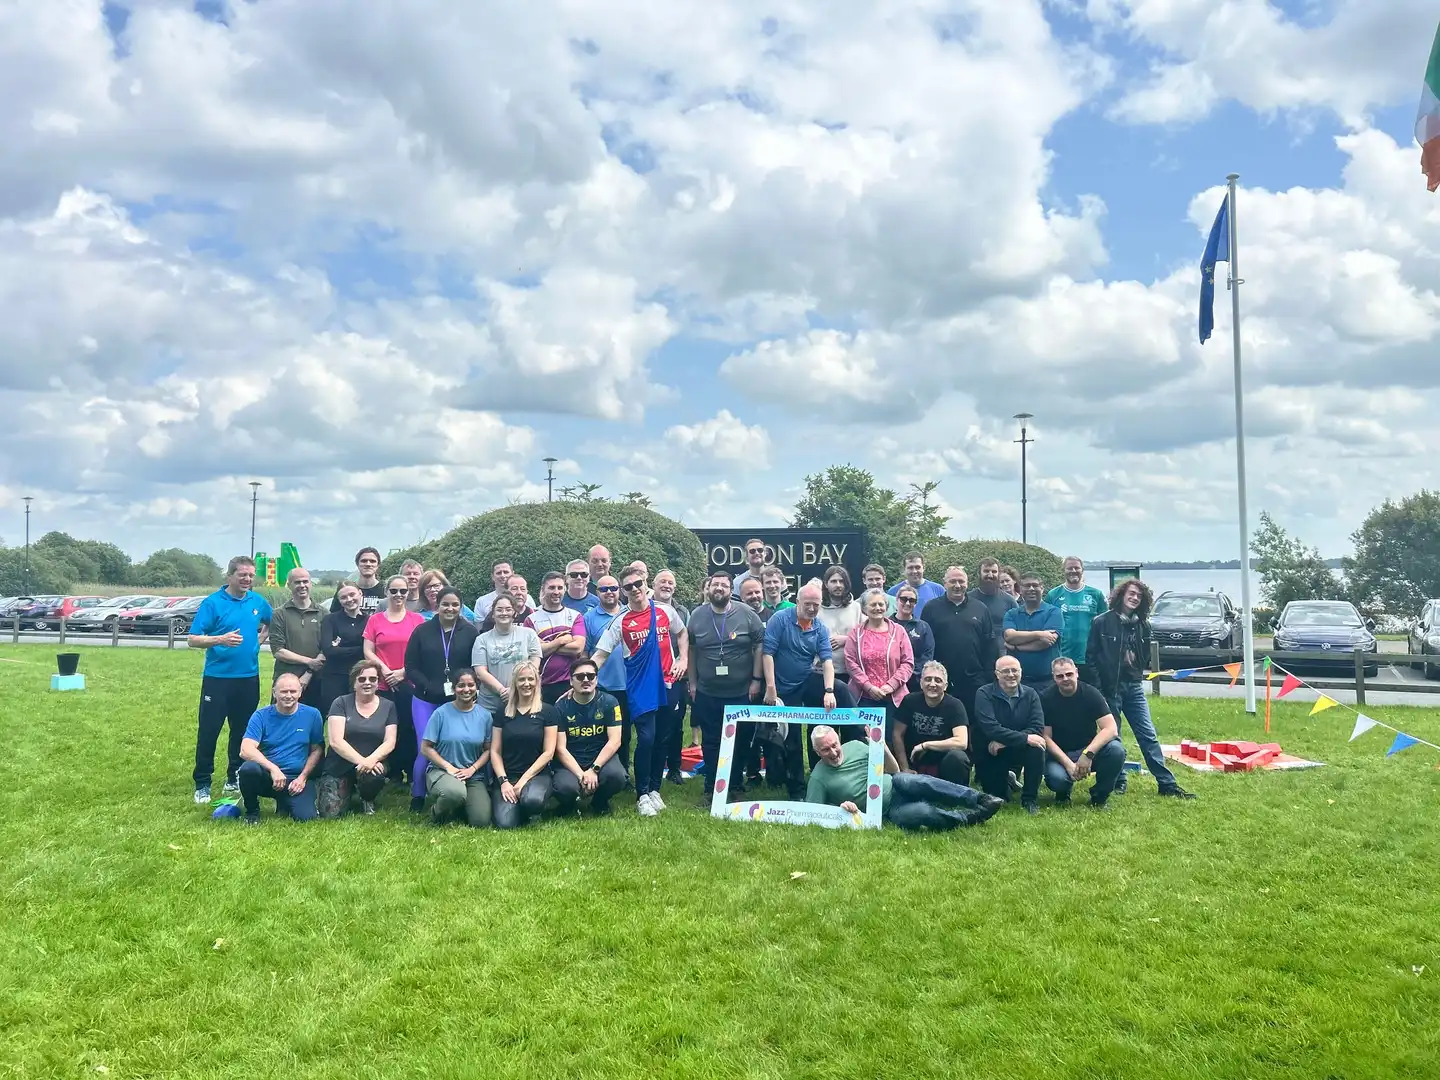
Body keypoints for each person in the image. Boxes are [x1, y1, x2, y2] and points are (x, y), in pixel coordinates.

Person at [1087, 579, 1195, 799]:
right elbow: (1090, 658)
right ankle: (1118, 780)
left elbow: (1144, 655)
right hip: (1109, 689)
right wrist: (1100, 690)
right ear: (1121, 595)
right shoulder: (1101, 622)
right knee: (1112, 737)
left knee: (1148, 735)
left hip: (1133, 687)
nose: (1135, 598)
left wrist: (1135, 665)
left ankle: (1167, 784)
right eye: (1131, 593)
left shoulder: (1143, 625)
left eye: (1139, 596)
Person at [188, 555, 274, 804]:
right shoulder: (213, 603)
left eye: (250, 575)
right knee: (209, 731)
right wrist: (220, 639)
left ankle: (233, 776)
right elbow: (193, 639)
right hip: (217, 678)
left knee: (242, 731)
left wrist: (258, 642)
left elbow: (271, 623)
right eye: (242, 575)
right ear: (230, 576)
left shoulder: (257, 602)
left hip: (248, 677)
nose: (247, 579)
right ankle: (202, 782)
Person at [592, 565, 674, 816]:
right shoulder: (621, 621)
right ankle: (642, 794)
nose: (635, 589)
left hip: (669, 683)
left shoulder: (665, 610)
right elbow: (601, 654)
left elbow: (682, 634)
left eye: (638, 583)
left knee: (663, 737)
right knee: (646, 738)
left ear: (645, 582)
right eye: (628, 586)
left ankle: (655, 790)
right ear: (623, 591)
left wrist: (682, 661)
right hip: (639, 686)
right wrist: (584, 675)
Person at [806, 725, 1003, 830]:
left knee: (915, 780)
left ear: (839, 740)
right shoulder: (819, 777)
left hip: (896, 783)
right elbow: (814, 814)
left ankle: (980, 798)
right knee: (923, 812)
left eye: (835, 745)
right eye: (825, 749)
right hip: (887, 810)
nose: (833, 752)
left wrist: (882, 748)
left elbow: (893, 769)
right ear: (816, 752)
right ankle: (968, 818)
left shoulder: (855, 747)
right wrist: (843, 810)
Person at [762, 582, 858, 797]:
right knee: (792, 739)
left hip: (806, 679)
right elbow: (767, 654)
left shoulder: (820, 627)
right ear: (798, 602)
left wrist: (829, 690)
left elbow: (826, 662)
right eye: (808, 604)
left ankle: (859, 738)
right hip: (783, 687)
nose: (812, 609)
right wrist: (771, 688)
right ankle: (797, 788)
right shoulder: (780, 620)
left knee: (842, 690)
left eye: (816, 605)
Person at [688, 571, 765, 798]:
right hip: (708, 692)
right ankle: (712, 785)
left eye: (723, 585)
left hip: (741, 692)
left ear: (731, 590)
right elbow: (691, 650)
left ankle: (734, 784)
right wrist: (692, 682)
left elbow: (760, 645)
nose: (718, 588)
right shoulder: (696, 616)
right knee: (711, 741)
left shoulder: (747, 614)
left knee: (740, 739)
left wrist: (756, 680)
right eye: (714, 585)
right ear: (708, 589)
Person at [404, 586, 480, 811]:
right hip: (425, 698)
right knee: (425, 746)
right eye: (445, 604)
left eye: (455, 604)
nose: (450, 608)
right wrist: (427, 685)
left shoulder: (470, 632)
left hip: (458, 700)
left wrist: (463, 688)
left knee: (456, 745)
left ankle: (458, 788)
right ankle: (418, 795)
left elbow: (473, 666)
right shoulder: (422, 630)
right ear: (437, 604)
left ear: (461, 606)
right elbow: (410, 666)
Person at [237, 673, 324, 825]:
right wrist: (273, 769)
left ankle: (285, 802)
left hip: (296, 779)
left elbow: (317, 749)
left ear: (300, 692)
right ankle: (252, 812)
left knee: (306, 817)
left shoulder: (313, 715)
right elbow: (245, 749)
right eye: (283, 691)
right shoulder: (261, 716)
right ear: (274, 693)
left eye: (293, 691)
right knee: (248, 769)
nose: (288, 696)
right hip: (269, 777)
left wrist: (303, 778)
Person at [363, 576, 425, 788]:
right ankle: (391, 772)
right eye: (394, 591)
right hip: (382, 684)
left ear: (408, 593)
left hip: (409, 683)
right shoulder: (375, 620)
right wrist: (385, 670)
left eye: (403, 591)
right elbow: (368, 650)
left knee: (409, 727)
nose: (398, 595)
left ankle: (409, 770)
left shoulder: (417, 620)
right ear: (387, 593)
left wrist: (403, 672)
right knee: (387, 728)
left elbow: (422, 652)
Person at [316, 660, 398, 818]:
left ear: (378, 682)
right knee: (330, 814)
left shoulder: (389, 706)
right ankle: (341, 788)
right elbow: (335, 741)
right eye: (362, 679)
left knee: (374, 775)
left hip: (373, 764)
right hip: (339, 764)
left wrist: (371, 760)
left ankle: (367, 798)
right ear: (354, 682)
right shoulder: (340, 703)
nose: (367, 683)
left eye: (372, 679)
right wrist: (362, 761)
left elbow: (390, 741)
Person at [1040, 657, 1126, 808]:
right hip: (1061, 754)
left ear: (1076, 673)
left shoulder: (1091, 694)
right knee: (1057, 780)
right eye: (1060, 676)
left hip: (1087, 750)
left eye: (1069, 674)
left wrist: (1088, 754)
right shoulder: (1045, 698)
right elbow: (1045, 737)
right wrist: (1067, 764)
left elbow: (1111, 728)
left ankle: (1099, 796)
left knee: (1116, 750)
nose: (1065, 679)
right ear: (1053, 677)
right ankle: (1063, 792)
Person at [972, 656, 1046, 813]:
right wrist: (1024, 737)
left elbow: (1037, 727)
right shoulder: (983, 693)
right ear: (997, 674)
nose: (1011, 674)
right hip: (991, 752)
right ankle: (1008, 780)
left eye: (1015, 670)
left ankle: (1029, 799)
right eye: (1006, 671)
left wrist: (1006, 741)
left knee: (1037, 747)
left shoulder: (1031, 694)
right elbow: (991, 728)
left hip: (1009, 746)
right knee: (999, 797)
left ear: (1021, 672)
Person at [553, 659, 627, 814]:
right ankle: (569, 804)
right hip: (572, 759)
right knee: (565, 788)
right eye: (580, 677)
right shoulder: (560, 707)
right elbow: (560, 748)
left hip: (599, 758)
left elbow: (615, 741)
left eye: (590, 676)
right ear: (571, 681)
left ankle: (599, 802)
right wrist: (581, 775)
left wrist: (594, 769)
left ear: (596, 679)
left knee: (618, 776)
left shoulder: (610, 702)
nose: (586, 680)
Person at [421, 668, 493, 826]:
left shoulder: (485, 716)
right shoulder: (441, 713)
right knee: (454, 793)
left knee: (481, 821)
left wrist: (473, 769)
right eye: (461, 685)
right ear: (453, 688)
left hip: (472, 775)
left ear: (477, 687)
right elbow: (426, 748)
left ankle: (458, 807)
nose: (466, 689)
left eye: (471, 685)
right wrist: (448, 767)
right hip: (442, 771)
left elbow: (488, 750)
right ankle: (436, 814)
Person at [491, 660, 558, 829]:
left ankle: (531, 807)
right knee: (505, 824)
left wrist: (522, 782)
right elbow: (495, 751)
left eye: (530, 679)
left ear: (537, 682)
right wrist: (504, 781)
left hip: (537, 776)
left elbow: (548, 753)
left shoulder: (548, 711)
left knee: (532, 801)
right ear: (515, 683)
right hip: (508, 775)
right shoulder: (502, 711)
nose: (526, 684)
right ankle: (515, 807)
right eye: (521, 680)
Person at [920, 566, 996, 714]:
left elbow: (990, 645)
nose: (957, 585)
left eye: (961, 581)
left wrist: (987, 676)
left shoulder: (980, 608)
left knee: (973, 721)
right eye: (952, 581)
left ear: (967, 583)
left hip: (974, 679)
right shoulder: (931, 608)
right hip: (940, 679)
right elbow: (925, 644)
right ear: (944, 583)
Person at [844, 588, 914, 733]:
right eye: (873, 605)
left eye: (881, 604)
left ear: (887, 607)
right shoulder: (855, 634)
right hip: (863, 698)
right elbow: (851, 663)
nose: (878, 608)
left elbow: (908, 663)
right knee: (866, 740)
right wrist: (868, 686)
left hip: (893, 698)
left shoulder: (898, 631)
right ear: (864, 609)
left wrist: (891, 686)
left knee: (891, 741)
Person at [892, 661, 972, 786]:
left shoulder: (955, 705)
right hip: (914, 760)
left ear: (945, 686)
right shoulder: (909, 701)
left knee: (958, 757)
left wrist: (926, 745)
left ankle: (956, 796)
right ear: (921, 683)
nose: (932, 684)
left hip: (944, 763)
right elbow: (897, 734)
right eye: (928, 679)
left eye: (938, 680)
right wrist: (904, 768)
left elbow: (961, 742)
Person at [582, 576, 629, 767]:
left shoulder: (631, 613)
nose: (609, 592)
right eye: (604, 589)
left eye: (613, 587)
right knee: (603, 732)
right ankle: (601, 770)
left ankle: (624, 772)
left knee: (625, 732)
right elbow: (585, 654)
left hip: (630, 684)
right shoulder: (589, 618)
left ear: (620, 590)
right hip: (603, 686)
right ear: (596, 592)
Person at [267, 566, 326, 711]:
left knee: (313, 725)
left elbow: (327, 647)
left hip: (316, 680)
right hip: (286, 681)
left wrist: (309, 672)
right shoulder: (279, 614)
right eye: (297, 582)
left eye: (305, 581)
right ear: (289, 585)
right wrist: (309, 662)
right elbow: (278, 650)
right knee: (280, 723)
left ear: (311, 584)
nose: (302, 585)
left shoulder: (324, 613)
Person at [472, 595, 543, 715]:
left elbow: (534, 665)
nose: (504, 613)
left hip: (523, 702)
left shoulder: (529, 634)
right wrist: (503, 691)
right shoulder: (481, 640)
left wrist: (515, 690)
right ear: (493, 614)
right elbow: (481, 672)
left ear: (515, 613)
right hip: (490, 706)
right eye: (499, 610)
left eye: (508, 609)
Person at [654, 569, 692, 784]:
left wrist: (681, 661)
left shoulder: (682, 611)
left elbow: (684, 638)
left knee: (676, 724)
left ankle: (675, 768)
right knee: (654, 723)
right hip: (653, 676)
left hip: (676, 676)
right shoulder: (646, 607)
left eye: (671, 582)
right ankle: (654, 766)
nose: (667, 586)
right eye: (662, 582)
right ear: (654, 585)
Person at [526, 572, 587, 703]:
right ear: (543, 589)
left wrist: (546, 644)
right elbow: (534, 651)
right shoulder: (531, 619)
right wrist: (561, 640)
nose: (556, 592)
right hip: (542, 683)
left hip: (569, 683)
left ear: (565, 589)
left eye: (560, 588)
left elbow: (577, 648)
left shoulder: (575, 616)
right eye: (551, 587)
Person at [1046, 557, 1108, 685]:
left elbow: (1106, 626)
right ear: (1063, 570)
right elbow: (1045, 624)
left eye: (1077, 568)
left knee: (1091, 697)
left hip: (1089, 659)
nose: (1073, 571)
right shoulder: (1053, 595)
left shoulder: (1096, 594)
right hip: (1062, 658)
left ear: (1082, 570)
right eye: (1069, 568)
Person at [1003, 573, 1064, 690]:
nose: (1031, 589)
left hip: (1048, 680)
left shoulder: (1054, 612)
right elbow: (1009, 636)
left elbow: (1045, 643)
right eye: (1027, 586)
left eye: (1035, 585)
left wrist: (1016, 647)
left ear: (1042, 588)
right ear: (1020, 589)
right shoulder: (1011, 614)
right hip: (1019, 681)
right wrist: (1039, 634)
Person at [318, 583, 367, 716]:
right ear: (339, 600)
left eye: (352, 595)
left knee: (359, 716)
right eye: (344, 597)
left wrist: (341, 647)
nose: (349, 599)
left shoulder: (369, 620)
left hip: (360, 676)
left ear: (360, 593)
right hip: (334, 677)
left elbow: (371, 650)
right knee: (335, 715)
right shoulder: (330, 620)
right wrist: (361, 649)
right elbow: (328, 651)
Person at [818, 565, 864, 684]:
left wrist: (847, 639)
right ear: (826, 584)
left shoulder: (856, 608)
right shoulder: (817, 609)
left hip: (849, 672)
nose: (838, 585)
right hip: (820, 671)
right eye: (833, 581)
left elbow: (866, 636)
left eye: (841, 581)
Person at [892, 583, 935, 693]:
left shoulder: (923, 627)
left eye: (912, 600)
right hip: (889, 681)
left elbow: (927, 655)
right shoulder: (886, 625)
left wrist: (910, 674)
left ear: (916, 603)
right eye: (903, 599)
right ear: (897, 600)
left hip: (914, 682)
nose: (907, 603)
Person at [973, 558, 1017, 649]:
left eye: (994, 571)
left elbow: (1019, 627)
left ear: (999, 574)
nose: (990, 575)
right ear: (979, 574)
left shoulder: (1009, 601)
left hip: (1002, 654)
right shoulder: (968, 599)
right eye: (986, 571)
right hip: (974, 653)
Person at [329, 547, 386, 615]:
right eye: (364, 561)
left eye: (372, 561)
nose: (368, 564)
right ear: (357, 564)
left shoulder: (387, 590)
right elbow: (334, 616)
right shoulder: (346, 589)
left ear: (378, 565)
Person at [888, 551, 944, 616]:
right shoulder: (893, 592)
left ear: (924, 568)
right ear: (904, 569)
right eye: (910, 568)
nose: (914, 571)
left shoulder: (938, 590)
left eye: (917, 567)